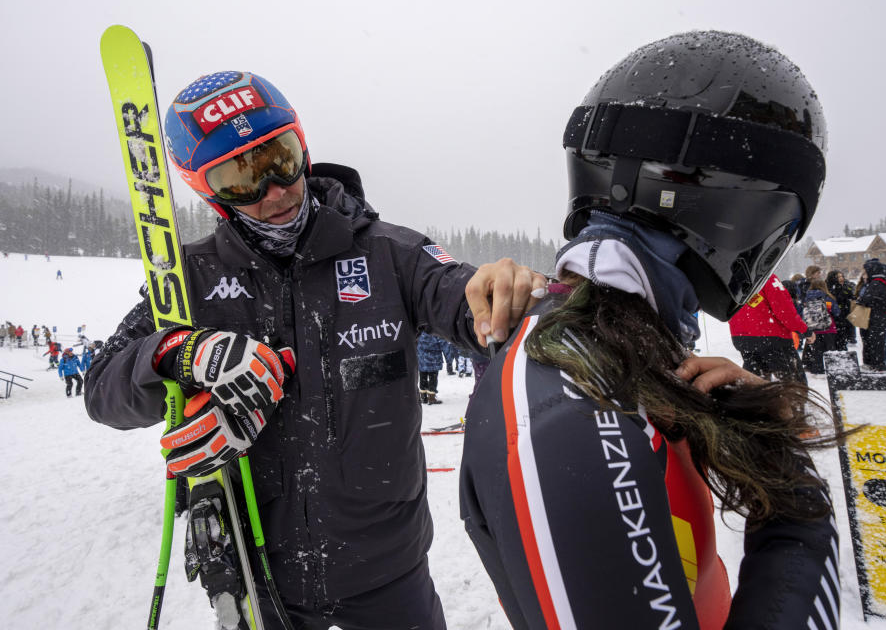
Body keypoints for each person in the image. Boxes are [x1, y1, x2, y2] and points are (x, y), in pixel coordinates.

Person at [84, 69, 544, 630]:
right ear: (206, 188)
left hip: (388, 575)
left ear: (302, 145)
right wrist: (177, 353)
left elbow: (468, 299)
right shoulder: (190, 278)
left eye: (280, 159)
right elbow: (102, 388)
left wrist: (508, 297)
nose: (275, 191)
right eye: (241, 178)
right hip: (257, 577)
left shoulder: (388, 254)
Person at [460, 31, 840, 629]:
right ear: (740, 212)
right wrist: (798, 514)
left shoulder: (618, 348)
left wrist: (748, 434)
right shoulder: (567, 404)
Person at [729, 273, 811, 384]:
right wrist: (804, 330)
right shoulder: (765, 277)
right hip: (772, 337)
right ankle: (794, 400)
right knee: (792, 383)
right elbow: (784, 310)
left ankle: (757, 399)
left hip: (743, 337)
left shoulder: (731, 280)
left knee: (755, 384)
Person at [857, 258, 886, 370]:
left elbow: (867, 299)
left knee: (875, 342)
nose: (864, 274)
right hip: (880, 317)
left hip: (876, 318)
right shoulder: (882, 281)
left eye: (865, 271)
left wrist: (860, 300)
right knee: (877, 341)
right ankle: (875, 362)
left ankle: (877, 364)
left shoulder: (876, 283)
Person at [800, 278, 839, 375]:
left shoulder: (806, 298)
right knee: (830, 351)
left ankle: (817, 369)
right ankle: (832, 370)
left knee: (816, 351)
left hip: (813, 330)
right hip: (828, 328)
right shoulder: (827, 298)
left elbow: (803, 313)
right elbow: (836, 312)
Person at [826, 269, 856, 350]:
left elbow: (853, 297)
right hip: (833, 317)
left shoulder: (846, 286)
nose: (841, 278)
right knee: (835, 340)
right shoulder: (828, 288)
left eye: (842, 276)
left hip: (844, 316)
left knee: (842, 339)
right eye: (838, 276)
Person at [417, 333, 445, 405]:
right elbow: (443, 344)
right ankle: (431, 397)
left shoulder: (419, 332)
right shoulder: (436, 331)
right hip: (434, 359)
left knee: (423, 377)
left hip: (422, 359)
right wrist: (449, 360)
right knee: (433, 378)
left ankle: (423, 397)